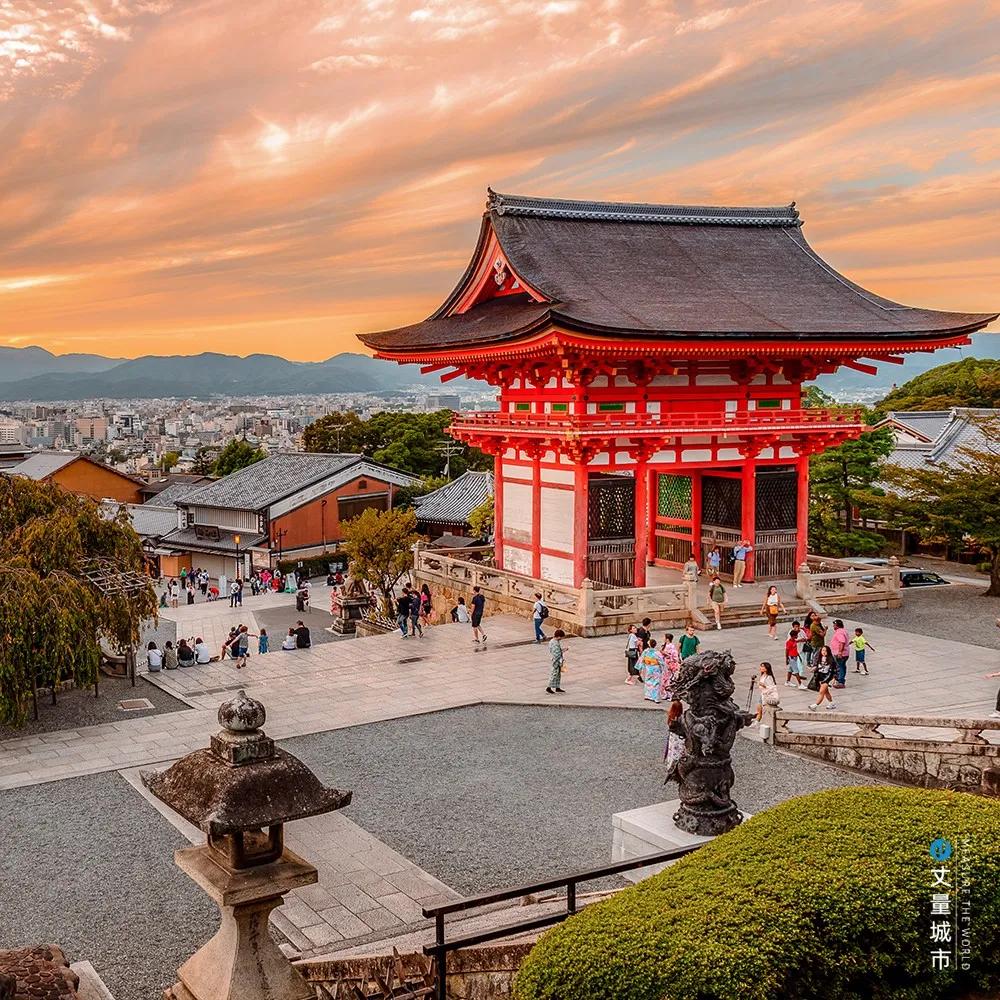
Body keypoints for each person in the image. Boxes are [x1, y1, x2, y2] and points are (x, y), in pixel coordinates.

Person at [807, 646, 837, 711]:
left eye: (825, 651)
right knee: (826, 692)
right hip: (820, 676)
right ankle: (832, 703)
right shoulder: (819, 658)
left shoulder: (831, 659)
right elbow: (817, 667)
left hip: (827, 677)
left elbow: (835, 670)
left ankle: (815, 705)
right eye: (822, 650)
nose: (824, 652)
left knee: (821, 692)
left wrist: (834, 679)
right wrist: (813, 669)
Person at [639, 639, 666, 704]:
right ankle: (655, 698)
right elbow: (661, 662)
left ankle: (648, 695)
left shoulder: (646, 651)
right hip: (656, 669)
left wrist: (640, 667)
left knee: (648, 682)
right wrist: (663, 669)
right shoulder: (657, 653)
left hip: (648, 668)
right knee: (656, 683)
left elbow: (641, 660)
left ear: (649, 645)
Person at [784, 624, 807, 689]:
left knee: (790, 670)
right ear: (793, 636)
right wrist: (786, 659)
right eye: (796, 635)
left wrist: (798, 656)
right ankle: (800, 684)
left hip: (795, 657)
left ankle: (787, 681)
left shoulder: (794, 641)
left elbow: (797, 644)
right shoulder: (789, 642)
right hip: (791, 657)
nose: (797, 636)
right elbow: (786, 650)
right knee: (796, 671)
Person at [830, 619, 850, 688]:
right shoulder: (843, 631)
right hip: (845, 653)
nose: (833, 626)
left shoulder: (839, 632)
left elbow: (842, 642)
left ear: (837, 625)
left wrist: (840, 652)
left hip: (841, 653)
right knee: (842, 666)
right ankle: (839, 680)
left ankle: (840, 682)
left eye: (834, 625)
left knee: (840, 667)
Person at [660, 634, 680, 702]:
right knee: (665, 680)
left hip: (670, 665)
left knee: (669, 680)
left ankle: (670, 695)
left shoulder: (671, 646)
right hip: (666, 665)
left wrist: (666, 654)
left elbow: (674, 656)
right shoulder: (665, 646)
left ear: (667, 639)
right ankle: (666, 694)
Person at [546, 629, 566, 694]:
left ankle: (557, 687)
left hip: (556, 661)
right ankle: (549, 688)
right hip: (556, 661)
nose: (562, 638)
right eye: (562, 637)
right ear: (559, 636)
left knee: (557, 674)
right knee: (554, 674)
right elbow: (556, 654)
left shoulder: (553, 641)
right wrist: (562, 652)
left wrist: (562, 650)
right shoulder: (554, 643)